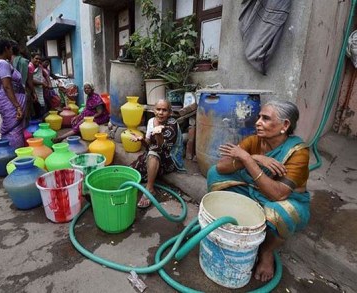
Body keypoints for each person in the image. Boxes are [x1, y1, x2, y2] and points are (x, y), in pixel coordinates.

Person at [207, 100, 310, 282]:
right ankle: (243, 216)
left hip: (284, 199)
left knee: (281, 215)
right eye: (259, 117)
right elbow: (221, 167)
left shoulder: (298, 152)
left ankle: (267, 251)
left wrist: (247, 160)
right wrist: (253, 157)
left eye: (265, 118)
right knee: (214, 174)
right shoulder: (255, 140)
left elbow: (278, 194)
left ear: (285, 125)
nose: (257, 122)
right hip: (254, 189)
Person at [130, 98, 185, 208]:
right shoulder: (151, 121)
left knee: (154, 152)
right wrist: (141, 139)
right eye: (158, 109)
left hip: (170, 157)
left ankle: (150, 189)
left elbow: (163, 148)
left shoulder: (172, 124)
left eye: (164, 110)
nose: (160, 112)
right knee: (133, 169)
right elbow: (148, 144)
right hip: (154, 152)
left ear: (169, 112)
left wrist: (159, 134)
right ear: (154, 111)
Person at [0, 38, 26, 148]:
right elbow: (7, 86)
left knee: (10, 126)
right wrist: (18, 106)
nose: (11, 52)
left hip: (2, 98)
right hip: (10, 100)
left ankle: (7, 151)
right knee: (15, 129)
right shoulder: (3, 63)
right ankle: (16, 154)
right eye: (10, 49)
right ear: (6, 49)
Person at [10, 40, 36, 120]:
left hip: (10, 93)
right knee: (25, 116)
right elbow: (28, 81)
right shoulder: (23, 61)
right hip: (22, 92)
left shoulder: (6, 61)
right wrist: (33, 92)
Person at [29, 52, 47, 118]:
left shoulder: (39, 67)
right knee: (34, 109)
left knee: (40, 108)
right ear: (32, 58)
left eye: (39, 59)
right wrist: (42, 83)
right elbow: (30, 80)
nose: (38, 60)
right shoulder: (30, 66)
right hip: (32, 90)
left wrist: (49, 84)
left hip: (39, 90)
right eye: (36, 58)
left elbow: (46, 75)